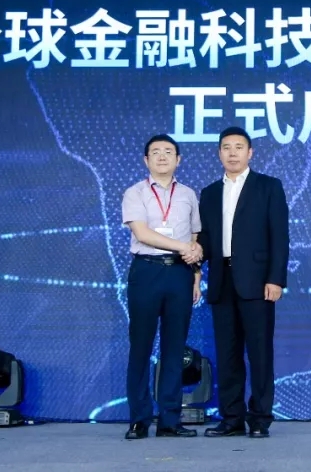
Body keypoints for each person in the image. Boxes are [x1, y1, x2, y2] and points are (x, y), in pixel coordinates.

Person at [197, 126, 290, 438]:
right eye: (226, 147)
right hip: (222, 281)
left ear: (250, 153)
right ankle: (232, 418)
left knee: (260, 354)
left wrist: (275, 279)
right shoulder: (210, 193)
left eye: (239, 147)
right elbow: (206, 238)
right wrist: (193, 252)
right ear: (219, 153)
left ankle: (260, 418)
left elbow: (280, 237)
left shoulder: (268, 187)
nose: (232, 153)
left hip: (258, 283)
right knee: (227, 355)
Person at [120, 134, 204, 440]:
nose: (162, 156)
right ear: (146, 160)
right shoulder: (135, 193)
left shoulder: (188, 194)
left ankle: (170, 420)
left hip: (180, 274)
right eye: (155, 152)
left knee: (174, 348)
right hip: (147, 271)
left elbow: (195, 237)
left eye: (168, 151)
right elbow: (142, 233)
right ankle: (139, 419)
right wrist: (184, 247)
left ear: (178, 159)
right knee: (140, 347)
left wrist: (196, 274)